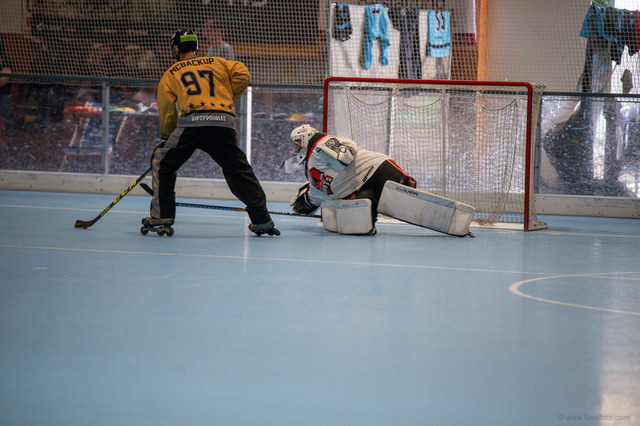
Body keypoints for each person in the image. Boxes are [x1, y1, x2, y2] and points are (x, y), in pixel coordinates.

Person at [142, 29, 279, 236]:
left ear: (176, 49)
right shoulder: (219, 62)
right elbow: (243, 74)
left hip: (192, 124)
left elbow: (168, 111)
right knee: (238, 169)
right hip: (223, 123)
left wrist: (167, 136)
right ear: (196, 47)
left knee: (162, 161)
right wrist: (227, 97)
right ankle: (262, 219)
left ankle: (162, 215)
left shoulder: (172, 72)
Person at [289, 124, 416, 229]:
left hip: (376, 168)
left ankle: (406, 185)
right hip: (361, 189)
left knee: (403, 195)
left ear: (307, 137)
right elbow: (317, 194)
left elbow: (348, 149)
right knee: (358, 222)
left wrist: (340, 152)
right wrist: (306, 201)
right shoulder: (312, 169)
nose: (295, 147)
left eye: (297, 142)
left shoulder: (318, 144)